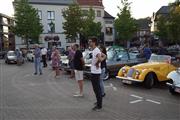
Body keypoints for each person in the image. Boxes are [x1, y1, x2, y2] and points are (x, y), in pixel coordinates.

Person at [89, 37, 106, 111]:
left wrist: (97, 62)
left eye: (90, 41)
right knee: (96, 89)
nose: (89, 43)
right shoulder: (95, 50)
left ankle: (99, 106)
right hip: (94, 72)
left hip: (96, 72)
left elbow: (100, 58)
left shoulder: (96, 50)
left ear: (94, 42)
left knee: (97, 89)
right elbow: (104, 56)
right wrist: (97, 62)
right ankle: (98, 102)